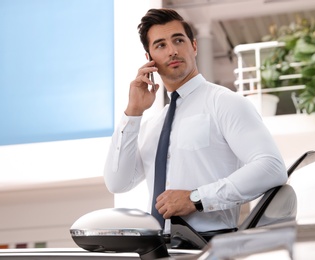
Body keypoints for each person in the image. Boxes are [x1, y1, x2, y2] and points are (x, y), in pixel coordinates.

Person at [104, 8, 287, 242]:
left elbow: (271, 167)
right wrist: (133, 113)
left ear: (194, 46)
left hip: (213, 245)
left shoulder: (225, 102)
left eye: (178, 40)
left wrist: (197, 198)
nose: (172, 51)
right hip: (161, 248)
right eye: (160, 45)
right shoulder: (152, 125)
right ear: (149, 59)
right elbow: (117, 182)